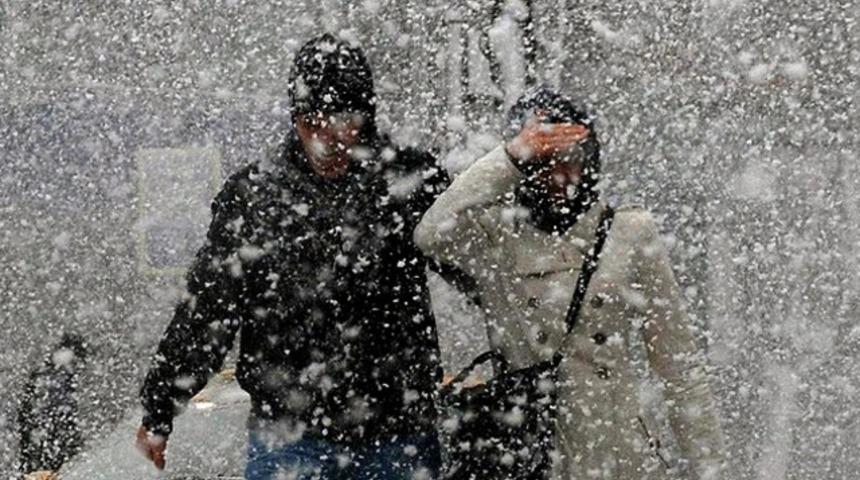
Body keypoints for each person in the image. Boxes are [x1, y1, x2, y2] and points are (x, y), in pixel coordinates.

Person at [137, 34, 452, 480]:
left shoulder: (409, 182)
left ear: (365, 117)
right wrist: (160, 407)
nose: (326, 140)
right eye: (311, 122)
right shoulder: (254, 196)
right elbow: (209, 309)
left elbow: (478, 266)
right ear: (294, 118)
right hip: (289, 437)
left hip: (395, 434)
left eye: (341, 121)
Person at [415, 86, 726, 479]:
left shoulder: (628, 233)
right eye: (544, 161)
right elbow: (430, 234)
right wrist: (509, 157)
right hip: (529, 449)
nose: (561, 175)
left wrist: (711, 469)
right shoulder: (493, 235)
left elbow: (680, 369)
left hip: (617, 453)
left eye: (573, 158)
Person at [18, 333, 88, 475]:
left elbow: (26, 409)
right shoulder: (61, 373)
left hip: (37, 439)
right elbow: (61, 410)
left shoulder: (43, 371)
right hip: (50, 441)